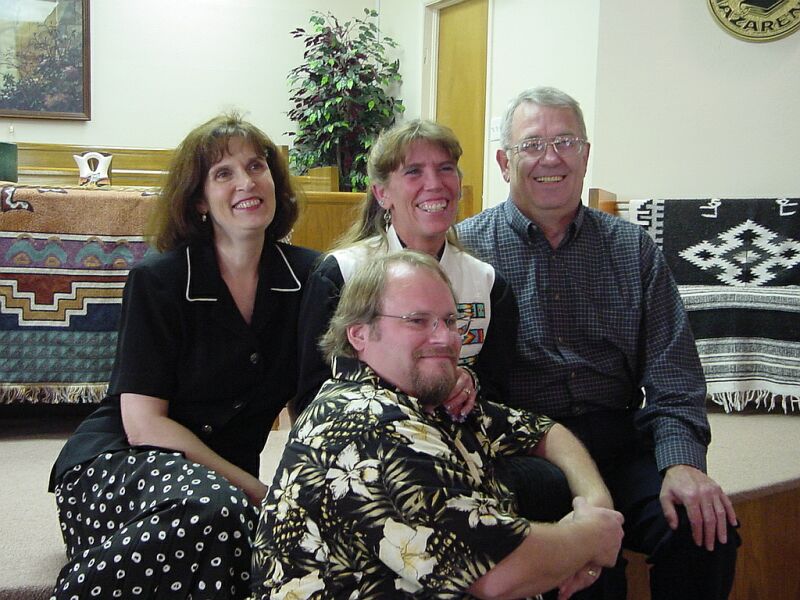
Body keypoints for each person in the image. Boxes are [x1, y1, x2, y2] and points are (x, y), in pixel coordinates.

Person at [456, 86, 740, 599]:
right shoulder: (466, 253)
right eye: (532, 144)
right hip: (528, 451)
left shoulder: (632, 249)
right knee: (585, 573)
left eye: (566, 141)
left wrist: (682, 463)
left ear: (586, 155)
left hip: (620, 434)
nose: (551, 157)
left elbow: (674, 376)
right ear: (503, 161)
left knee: (706, 531)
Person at [48, 113, 319, 599]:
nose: (246, 182)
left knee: (244, 543)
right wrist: (261, 494)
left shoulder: (311, 277)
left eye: (257, 166)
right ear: (198, 200)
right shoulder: (161, 279)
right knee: (222, 517)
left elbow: (315, 399)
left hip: (219, 487)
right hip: (120, 465)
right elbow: (143, 424)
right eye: (223, 173)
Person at [251, 250, 624, 599]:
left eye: (449, 320)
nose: (444, 338)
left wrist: (596, 503)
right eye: (417, 321)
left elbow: (544, 431)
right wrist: (592, 537)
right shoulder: (370, 427)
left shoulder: (425, 397)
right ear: (359, 334)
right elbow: (497, 573)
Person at [294, 119, 516, 422]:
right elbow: (312, 396)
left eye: (446, 168)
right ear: (382, 193)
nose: (435, 184)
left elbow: (500, 392)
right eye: (413, 171)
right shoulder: (340, 275)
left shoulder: (489, 285)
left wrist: (471, 384)